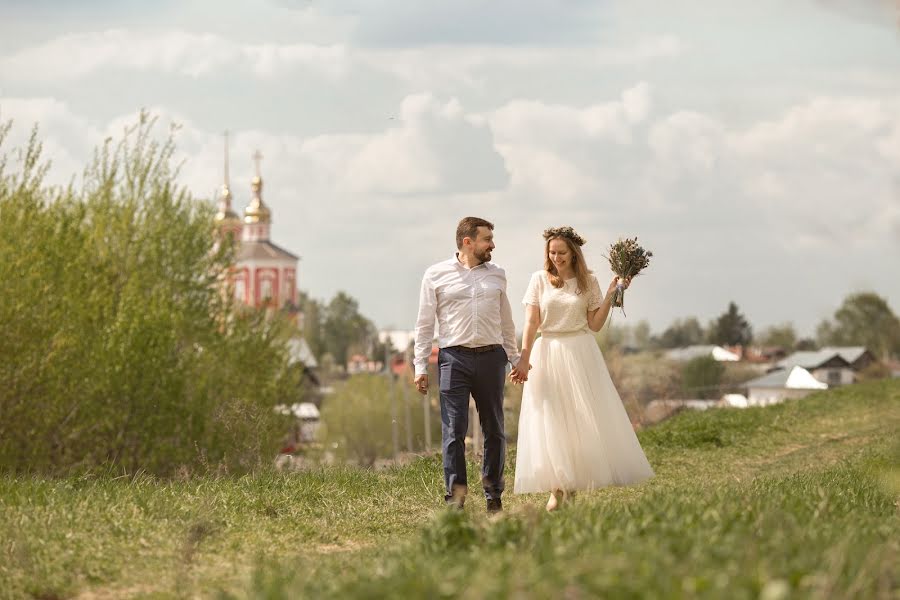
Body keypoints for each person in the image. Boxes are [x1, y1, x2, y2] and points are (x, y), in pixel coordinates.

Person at [511, 226, 654, 511]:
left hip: (580, 351)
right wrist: (523, 357)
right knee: (550, 418)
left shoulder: (588, 282)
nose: (556, 258)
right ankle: (556, 487)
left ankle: (572, 483)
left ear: (574, 253)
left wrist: (612, 294)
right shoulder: (539, 280)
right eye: (551, 253)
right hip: (548, 350)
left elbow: (595, 325)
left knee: (579, 419)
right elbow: (530, 322)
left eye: (561, 252)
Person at [413, 217, 528, 513]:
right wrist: (420, 367)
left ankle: (493, 497)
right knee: (454, 431)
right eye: (487, 238)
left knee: (494, 429)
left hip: (492, 359)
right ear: (468, 242)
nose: (493, 244)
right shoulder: (435, 275)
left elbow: (506, 321)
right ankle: (455, 500)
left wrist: (516, 359)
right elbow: (425, 324)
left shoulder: (497, 274)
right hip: (453, 359)